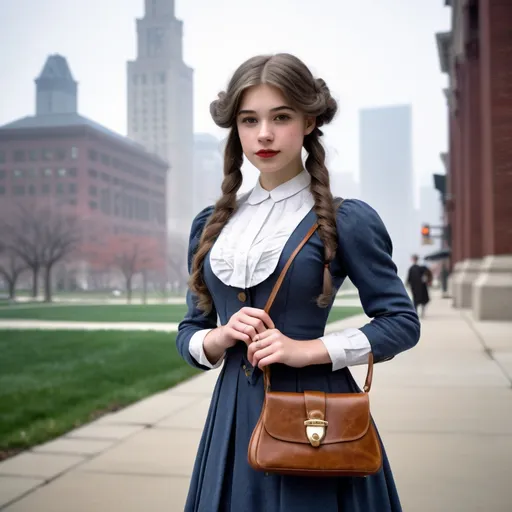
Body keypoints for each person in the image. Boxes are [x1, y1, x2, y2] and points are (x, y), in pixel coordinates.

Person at [176, 53, 421, 512]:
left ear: (308, 122)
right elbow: (188, 332)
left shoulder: (347, 219)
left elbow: (402, 322)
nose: (263, 134)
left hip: (315, 412)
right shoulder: (210, 224)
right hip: (230, 414)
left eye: (280, 117)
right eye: (249, 120)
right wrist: (220, 337)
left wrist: (307, 349)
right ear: (237, 129)